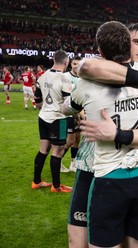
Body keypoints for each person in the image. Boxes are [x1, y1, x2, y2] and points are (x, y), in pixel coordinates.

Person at [64, 22, 138, 248]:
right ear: (125, 43)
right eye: (137, 42)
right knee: (79, 241)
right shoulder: (100, 72)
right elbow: (86, 67)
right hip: (90, 167)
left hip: (120, 169)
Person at [31, 50, 73, 193]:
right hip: (58, 118)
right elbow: (68, 104)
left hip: (43, 117)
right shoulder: (64, 79)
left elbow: (37, 99)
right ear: (66, 62)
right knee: (58, 151)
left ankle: (36, 181)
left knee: (43, 150)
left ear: (54, 60)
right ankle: (56, 186)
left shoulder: (42, 77)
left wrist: (44, 109)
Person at [62, 55, 83, 173]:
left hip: (79, 113)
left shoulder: (82, 78)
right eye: (75, 64)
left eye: (79, 64)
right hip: (68, 113)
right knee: (69, 140)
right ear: (71, 64)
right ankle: (58, 160)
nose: (76, 66)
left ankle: (73, 163)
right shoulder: (65, 77)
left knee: (77, 139)